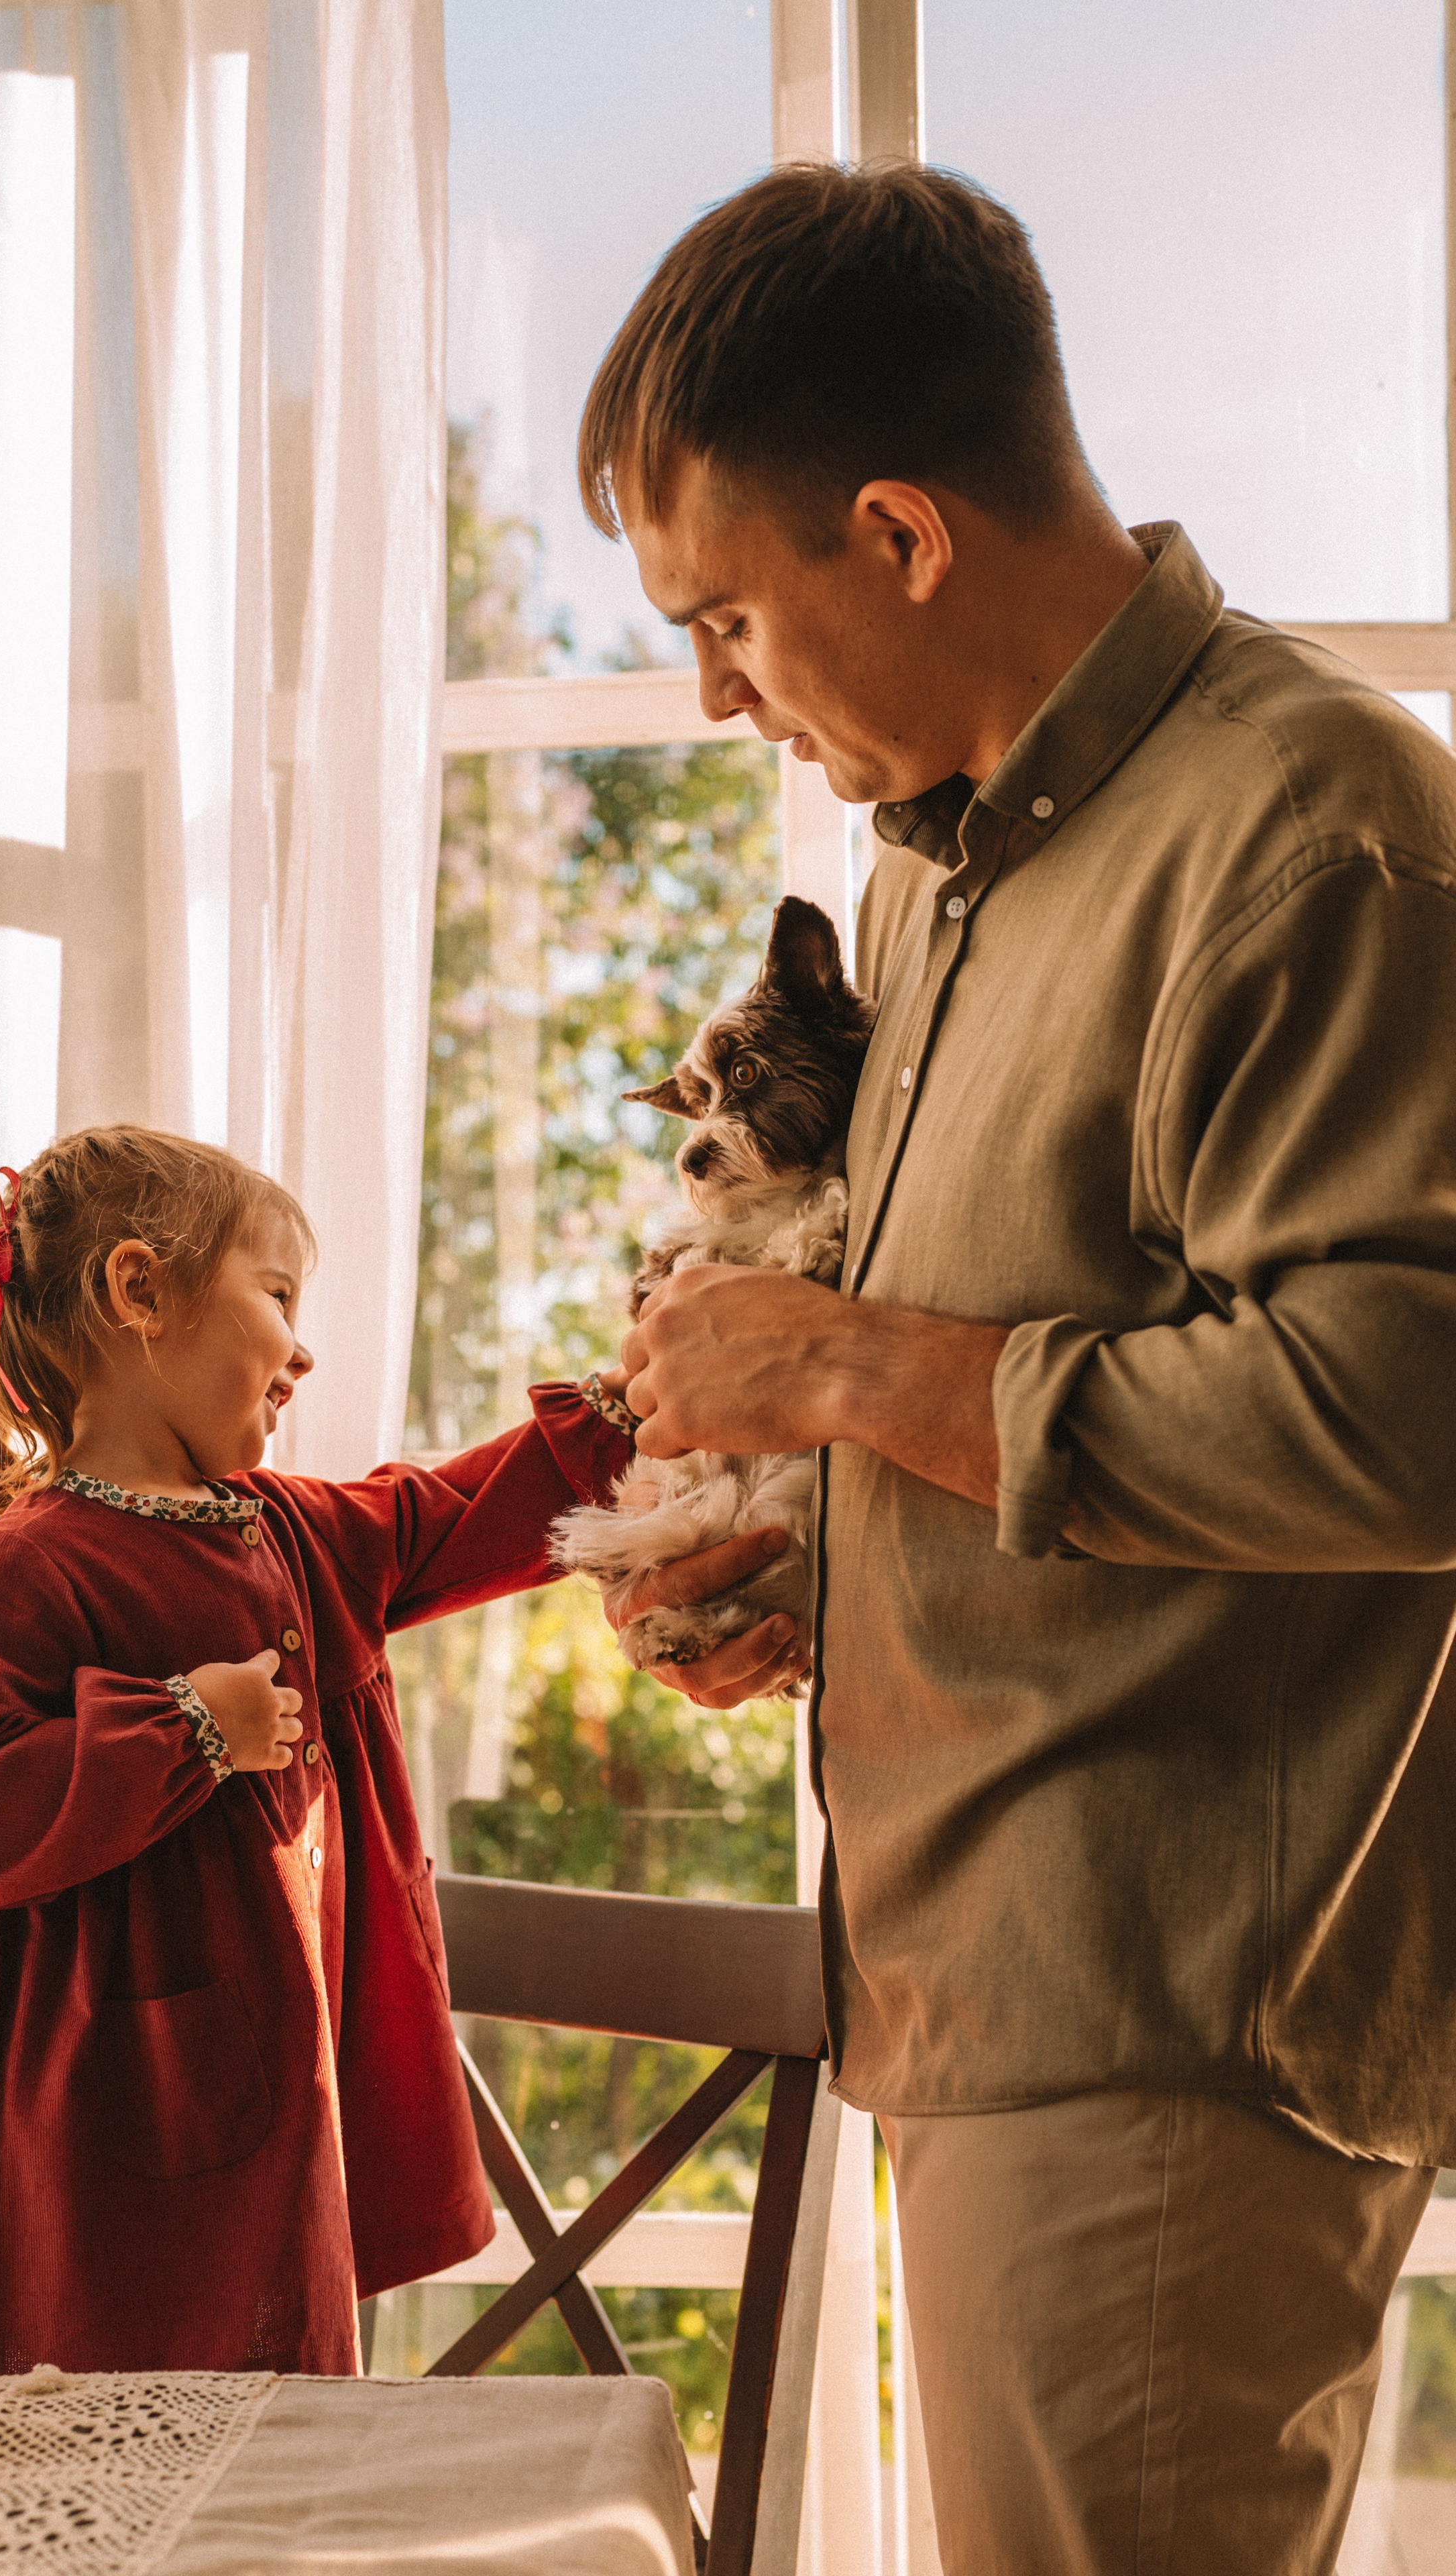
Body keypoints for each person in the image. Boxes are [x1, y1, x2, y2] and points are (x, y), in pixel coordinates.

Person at [579, 160, 1456, 2572]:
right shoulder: (937, 871)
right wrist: (818, 1571)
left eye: (730, 616)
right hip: (984, 1992)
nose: (715, 696)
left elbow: (1403, 1421)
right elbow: (1063, 1380)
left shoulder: (1314, 825)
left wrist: (851, 1378)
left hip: (1171, 2024)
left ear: (902, 531)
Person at [0, 1124, 634, 2376]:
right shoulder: (28, 1564)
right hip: (78, 2109)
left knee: (266, 2383)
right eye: (279, 1295)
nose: (302, 1349)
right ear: (140, 1291)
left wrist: (629, 1407)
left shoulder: (291, 1531)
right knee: (94, 2373)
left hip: (262, 2086)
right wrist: (188, 1724)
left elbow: (454, 1514)